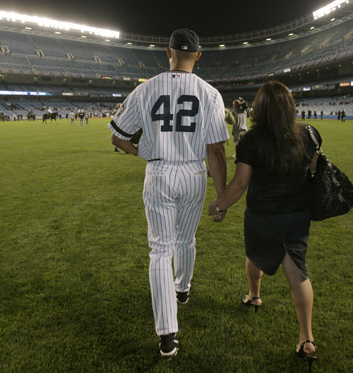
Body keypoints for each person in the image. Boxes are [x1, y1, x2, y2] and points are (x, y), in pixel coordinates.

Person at [109, 29, 228, 358]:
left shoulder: (146, 88)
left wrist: (140, 152)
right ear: (198, 56)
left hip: (159, 170)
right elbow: (216, 150)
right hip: (194, 171)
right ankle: (182, 288)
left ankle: (167, 335)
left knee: (160, 250)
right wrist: (222, 196)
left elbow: (118, 137)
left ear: (168, 52)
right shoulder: (210, 93)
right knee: (185, 240)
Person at [208, 81, 320, 368]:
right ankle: (306, 338)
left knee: (254, 255)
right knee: (297, 272)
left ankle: (254, 296)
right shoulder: (308, 134)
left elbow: (241, 183)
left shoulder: (251, 141)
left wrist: (219, 205)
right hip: (296, 214)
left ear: (261, 108)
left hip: (261, 214)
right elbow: (312, 172)